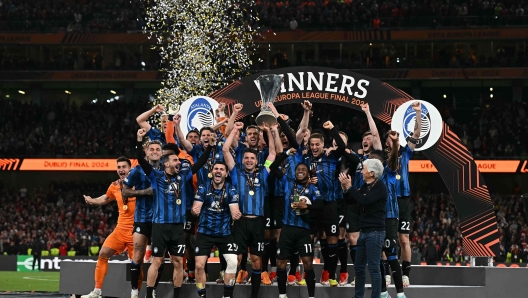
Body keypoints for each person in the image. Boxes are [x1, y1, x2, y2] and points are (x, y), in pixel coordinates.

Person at [135, 128, 213, 298]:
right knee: (157, 261)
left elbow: (199, 164)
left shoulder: (183, 176)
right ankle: (149, 295)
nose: (179, 162)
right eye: (175, 160)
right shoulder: (156, 176)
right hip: (160, 226)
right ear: (166, 163)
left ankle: (176, 295)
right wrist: (139, 141)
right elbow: (141, 159)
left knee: (178, 262)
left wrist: (208, 149)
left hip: (178, 227)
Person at [222, 121, 281, 298]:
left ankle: (254, 296)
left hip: (257, 223)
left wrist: (269, 131)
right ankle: (228, 295)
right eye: (246, 158)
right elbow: (225, 150)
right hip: (240, 222)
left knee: (256, 262)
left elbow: (272, 152)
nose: (248, 160)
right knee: (235, 261)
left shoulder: (263, 172)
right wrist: (235, 131)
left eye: (252, 158)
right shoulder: (235, 172)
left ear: (257, 161)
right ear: (242, 160)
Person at [81, 157, 137, 298]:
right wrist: (92, 200)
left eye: (124, 166)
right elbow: (106, 198)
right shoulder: (114, 186)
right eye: (119, 167)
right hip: (120, 229)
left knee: (136, 264)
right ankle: (97, 291)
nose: (121, 169)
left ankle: (135, 293)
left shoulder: (139, 183)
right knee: (103, 254)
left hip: (136, 231)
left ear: (130, 168)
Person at [272, 149, 323, 298]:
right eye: (298, 169)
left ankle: (311, 295)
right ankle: (282, 295)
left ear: (308, 174)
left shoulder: (313, 188)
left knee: (308, 263)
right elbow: (273, 167)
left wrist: (306, 206)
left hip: (303, 231)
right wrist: (286, 154)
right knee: (281, 263)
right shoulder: (287, 183)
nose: (300, 171)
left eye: (303, 170)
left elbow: (320, 206)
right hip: (287, 229)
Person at [301, 120, 346, 286]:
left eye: (317, 144)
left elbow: (341, 146)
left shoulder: (330, 156)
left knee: (332, 239)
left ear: (322, 144)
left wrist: (333, 130)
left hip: (329, 204)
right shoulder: (305, 158)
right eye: (312, 144)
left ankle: (332, 275)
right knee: (310, 239)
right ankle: (308, 275)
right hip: (311, 205)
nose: (314, 147)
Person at [191, 161, 242, 298]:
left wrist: (236, 214)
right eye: (216, 169)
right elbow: (196, 207)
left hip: (224, 233)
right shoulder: (202, 188)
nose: (218, 171)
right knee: (199, 266)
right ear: (211, 172)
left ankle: (227, 296)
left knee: (232, 263)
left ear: (226, 173)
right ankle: (202, 296)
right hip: (205, 232)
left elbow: (234, 210)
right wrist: (195, 210)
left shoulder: (231, 190)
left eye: (221, 169)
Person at [339, 159, 386, 298]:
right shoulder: (365, 187)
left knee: (373, 268)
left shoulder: (380, 187)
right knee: (359, 268)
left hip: (375, 233)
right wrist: (346, 190)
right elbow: (352, 201)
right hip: (364, 232)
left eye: (364, 168)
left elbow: (365, 200)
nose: (361, 171)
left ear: (372, 173)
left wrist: (351, 187)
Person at [122, 137, 160, 298]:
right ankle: (134, 291)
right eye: (151, 149)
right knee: (138, 256)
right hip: (142, 219)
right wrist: (144, 192)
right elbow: (125, 191)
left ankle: (153, 291)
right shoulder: (137, 170)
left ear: (162, 152)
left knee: (159, 258)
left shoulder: (166, 169)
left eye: (158, 149)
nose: (155, 152)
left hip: (160, 220)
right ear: (146, 151)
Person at [392, 101, 422, 287]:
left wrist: (417, 113)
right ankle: (386, 273)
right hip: (388, 201)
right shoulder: (384, 156)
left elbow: (417, 133)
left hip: (403, 201)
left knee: (403, 239)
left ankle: (405, 275)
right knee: (388, 239)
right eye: (391, 137)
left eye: (396, 136)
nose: (394, 139)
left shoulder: (406, 153)